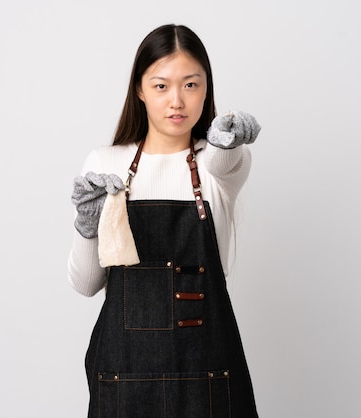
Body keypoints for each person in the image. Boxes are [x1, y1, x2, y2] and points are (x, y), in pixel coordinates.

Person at [68, 23, 261, 417]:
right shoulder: (105, 164)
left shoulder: (217, 165)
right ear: (139, 89)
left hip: (207, 379)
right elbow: (86, 284)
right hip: (125, 379)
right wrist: (88, 221)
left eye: (190, 85)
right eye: (161, 86)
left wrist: (229, 138)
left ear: (206, 88)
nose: (177, 101)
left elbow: (224, 159)